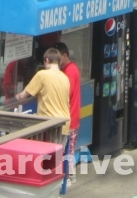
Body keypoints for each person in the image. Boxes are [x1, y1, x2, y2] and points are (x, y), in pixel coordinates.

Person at [15, 48, 71, 132]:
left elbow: (23, 96)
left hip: (50, 124)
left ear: (47, 60)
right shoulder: (65, 78)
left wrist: (16, 96)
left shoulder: (42, 75)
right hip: (64, 124)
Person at [55, 42, 82, 187]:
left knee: (67, 150)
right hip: (71, 116)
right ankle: (69, 176)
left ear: (65, 55)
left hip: (70, 118)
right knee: (68, 149)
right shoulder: (71, 69)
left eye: (58, 58)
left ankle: (69, 176)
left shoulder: (69, 71)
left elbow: (68, 92)